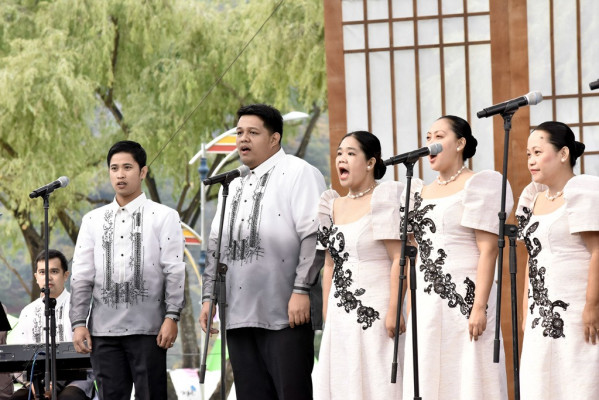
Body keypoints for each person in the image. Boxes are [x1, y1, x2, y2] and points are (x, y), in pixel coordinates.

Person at [199, 103, 326, 400]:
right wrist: (208, 298)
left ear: (274, 138)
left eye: (253, 132)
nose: (243, 138)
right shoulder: (231, 184)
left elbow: (315, 235)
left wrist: (301, 289)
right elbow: (216, 246)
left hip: (286, 313)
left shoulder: (299, 172)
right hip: (238, 314)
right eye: (239, 132)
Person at [401, 116, 510, 399]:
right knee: (427, 371)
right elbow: (415, 251)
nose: (430, 143)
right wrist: (409, 304)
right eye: (428, 137)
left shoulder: (478, 185)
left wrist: (479, 307)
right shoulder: (419, 192)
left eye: (439, 136)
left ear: (460, 143)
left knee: (468, 372)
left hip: (465, 296)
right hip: (426, 300)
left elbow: (488, 250)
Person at [70, 140, 185, 400]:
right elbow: (82, 276)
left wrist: (172, 316)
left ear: (143, 172)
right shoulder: (92, 220)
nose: (120, 174)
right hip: (103, 333)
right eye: (114, 168)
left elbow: (174, 271)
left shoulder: (164, 216)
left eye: (127, 167)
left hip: (149, 330)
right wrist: (78, 323)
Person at [314, 131, 405, 399]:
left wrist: (395, 309)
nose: (341, 159)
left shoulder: (383, 200)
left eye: (351, 153)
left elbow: (399, 258)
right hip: (339, 313)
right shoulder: (331, 205)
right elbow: (329, 264)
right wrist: (327, 312)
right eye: (339, 153)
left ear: (370, 163)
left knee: (378, 379)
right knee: (344, 380)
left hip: (376, 310)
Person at [516, 121, 599, 399]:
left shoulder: (582, 191)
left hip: (575, 309)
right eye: (528, 154)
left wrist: (592, 306)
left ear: (563, 154)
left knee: (576, 381)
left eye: (538, 152)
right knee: (540, 383)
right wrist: (526, 311)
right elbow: (532, 258)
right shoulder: (533, 198)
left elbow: (597, 251)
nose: (531, 160)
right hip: (539, 312)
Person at [10, 250, 93, 400]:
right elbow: (18, 359)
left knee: (68, 398)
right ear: (36, 277)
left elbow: (90, 354)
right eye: (42, 272)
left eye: (54, 271)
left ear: (66, 275)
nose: (48, 277)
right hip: (36, 380)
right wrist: (31, 384)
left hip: (76, 379)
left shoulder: (79, 308)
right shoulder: (27, 312)